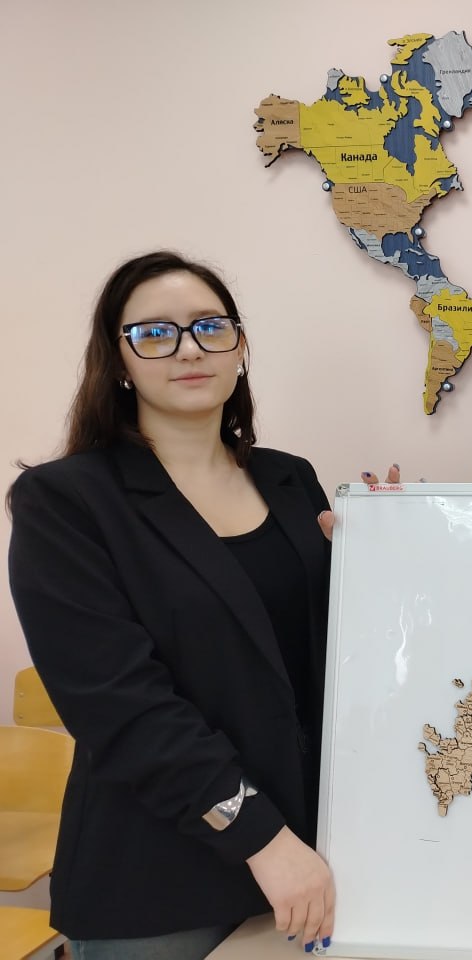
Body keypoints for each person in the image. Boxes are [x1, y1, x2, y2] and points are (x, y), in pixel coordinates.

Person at [8, 252, 335, 958]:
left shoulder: (290, 480)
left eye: (209, 327)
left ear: (240, 347)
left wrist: (383, 560)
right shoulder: (66, 502)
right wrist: (262, 839)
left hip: (310, 854)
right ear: (119, 361)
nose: (189, 349)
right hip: (160, 878)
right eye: (154, 333)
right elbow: (122, 707)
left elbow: (318, 663)